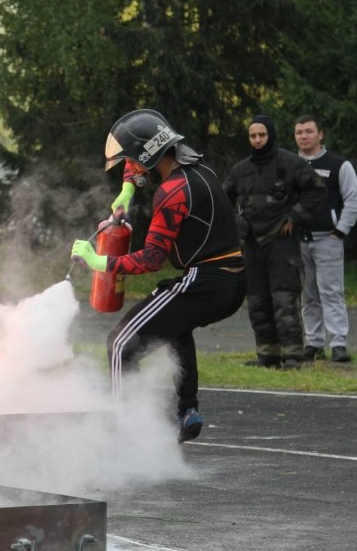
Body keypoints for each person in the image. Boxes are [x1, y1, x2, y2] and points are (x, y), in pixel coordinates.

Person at [71, 109, 246, 443]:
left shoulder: (172, 192)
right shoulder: (197, 168)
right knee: (175, 324)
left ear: (146, 155)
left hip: (207, 280)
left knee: (120, 344)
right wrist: (127, 190)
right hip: (232, 280)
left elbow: (151, 258)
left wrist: (100, 262)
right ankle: (187, 411)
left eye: (132, 161)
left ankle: (126, 430)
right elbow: (140, 165)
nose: (132, 169)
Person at [224, 115, 325, 370]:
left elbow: (317, 190)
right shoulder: (240, 170)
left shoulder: (291, 163)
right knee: (257, 301)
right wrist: (237, 223)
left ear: (271, 135)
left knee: (284, 300)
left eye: (262, 135)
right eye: (252, 136)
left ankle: (293, 356)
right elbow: (222, 199)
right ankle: (267, 355)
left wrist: (295, 216)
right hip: (252, 244)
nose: (257, 140)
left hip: (282, 242)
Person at [294, 114, 357, 363]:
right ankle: (314, 342)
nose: (304, 136)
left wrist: (341, 229)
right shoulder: (289, 164)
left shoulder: (338, 164)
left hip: (328, 239)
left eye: (308, 131)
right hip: (299, 240)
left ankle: (339, 343)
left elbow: (353, 198)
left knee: (331, 292)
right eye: (299, 132)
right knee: (308, 293)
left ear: (320, 134)